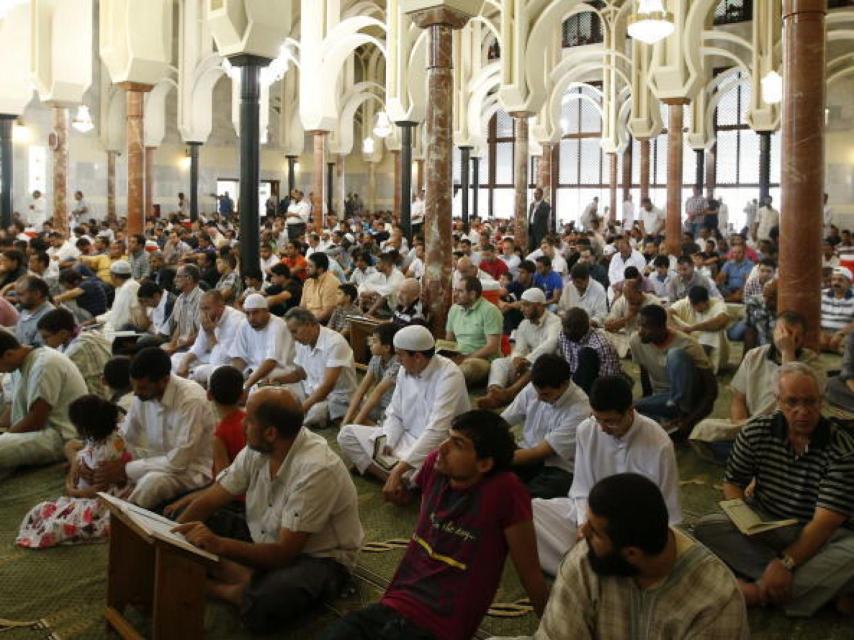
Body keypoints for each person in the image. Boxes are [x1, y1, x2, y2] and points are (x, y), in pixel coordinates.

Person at [323, 410, 548, 640]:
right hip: (392, 605)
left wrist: (555, 631)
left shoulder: (506, 491)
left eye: (457, 444)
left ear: (484, 464)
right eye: (448, 437)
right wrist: (404, 492)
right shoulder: (436, 466)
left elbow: (530, 574)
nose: (442, 447)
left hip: (438, 627)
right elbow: (417, 497)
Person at [174, 388, 363, 634]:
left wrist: (218, 546)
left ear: (271, 433)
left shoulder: (317, 469)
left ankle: (226, 587)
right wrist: (171, 536)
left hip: (318, 557)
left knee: (264, 603)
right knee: (193, 516)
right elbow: (210, 500)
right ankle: (241, 575)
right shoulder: (257, 449)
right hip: (265, 534)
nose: (242, 423)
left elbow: (284, 553)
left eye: (249, 420)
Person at [694, 362, 854, 617]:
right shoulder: (756, 431)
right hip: (767, 524)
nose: (803, 411)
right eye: (792, 402)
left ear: (821, 400)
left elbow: (824, 524)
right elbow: (733, 482)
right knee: (707, 527)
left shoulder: (842, 450)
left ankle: (759, 591)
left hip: (820, 535)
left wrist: (786, 561)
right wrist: (746, 520)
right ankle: (807, 586)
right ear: (777, 401)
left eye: (811, 402)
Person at [532, 473, 747, 638]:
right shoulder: (583, 561)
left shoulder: (716, 600)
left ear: (632, 553)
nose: (583, 533)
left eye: (595, 532)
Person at [337, 325, 469, 496]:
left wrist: (401, 467)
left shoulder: (450, 375)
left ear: (418, 357)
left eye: (400, 354)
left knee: (439, 468)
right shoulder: (404, 369)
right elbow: (395, 413)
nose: (397, 359)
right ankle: (397, 481)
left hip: (436, 445)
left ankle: (400, 477)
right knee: (347, 435)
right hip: (403, 438)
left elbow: (438, 430)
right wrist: (389, 442)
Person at [83, 347, 215, 509]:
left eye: (143, 388)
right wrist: (90, 460)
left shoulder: (191, 400)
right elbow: (125, 434)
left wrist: (124, 470)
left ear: (165, 381)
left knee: (151, 483)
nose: (136, 393)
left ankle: (116, 518)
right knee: (103, 455)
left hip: (189, 471)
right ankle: (95, 508)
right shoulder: (143, 395)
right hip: (153, 459)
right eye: (134, 386)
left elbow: (178, 462)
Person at [691, 311, 825, 464]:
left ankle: (756, 459)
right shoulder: (754, 355)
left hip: (790, 427)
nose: (789, 339)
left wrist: (787, 352)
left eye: (796, 336)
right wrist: (744, 430)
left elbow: (794, 394)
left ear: (803, 338)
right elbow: (738, 398)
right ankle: (763, 458)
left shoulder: (814, 363)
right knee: (703, 431)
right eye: (784, 333)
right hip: (754, 426)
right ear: (774, 332)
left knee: (805, 444)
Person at [16, 395, 132, 548]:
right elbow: (74, 446)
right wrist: (76, 466)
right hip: (86, 492)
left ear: (85, 428)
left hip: (100, 500)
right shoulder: (102, 438)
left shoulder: (107, 452)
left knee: (56, 522)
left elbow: (99, 491)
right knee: (41, 511)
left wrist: (72, 491)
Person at [500, 354, 591, 499]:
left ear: (564, 384)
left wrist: (495, 458)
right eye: (537, 392)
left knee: (528, 500)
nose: (539, 398)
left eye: (545, 394)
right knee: (487, 477)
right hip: (525, 453)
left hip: (559, 468)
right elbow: (502, 421)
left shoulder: (581, 409)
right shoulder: (536, 387)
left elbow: (540, 452)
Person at [0, 329, 88, 477]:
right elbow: (14, 407)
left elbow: (36, 420)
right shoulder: (18, 365)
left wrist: (6, 437)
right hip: (40, 432)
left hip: (63, 437)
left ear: (9, 354)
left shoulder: (44, 365)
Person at [630, 304, 717, 435]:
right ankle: (668, 423)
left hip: (688, 401)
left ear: (661, 327)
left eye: (646, 326)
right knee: (629, 415)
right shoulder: (637, 341)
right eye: (639, 325)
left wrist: (689, 420)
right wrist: (647, 402)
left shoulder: (688, 344)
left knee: (675, 355)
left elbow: (711, 391)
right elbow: (645, 372)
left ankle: (678, 415)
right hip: (662, 399)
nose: (640, 331)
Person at [272, 308, 357, 428]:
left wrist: (302, 409)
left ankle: (297, 421)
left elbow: (327, 386)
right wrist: (277, 380)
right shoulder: (301, 342)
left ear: (308, 324)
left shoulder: (335, 342)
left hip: (335, 398)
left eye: (295, 332)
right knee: (280, 393)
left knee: (315, 412)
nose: (293, 337)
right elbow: (300, 373)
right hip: (312, 391)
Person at [478, 287, 561, 409]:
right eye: (522, 305)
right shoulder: (524, 324)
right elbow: (519, 348)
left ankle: (509, 393)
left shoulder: (555, 321)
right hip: (527, 362)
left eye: (526, 305)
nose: (521, 309)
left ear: (539, 306)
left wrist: (527, 360)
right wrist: (517, 358)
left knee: (538, 366)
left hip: (548, 366)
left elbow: (551, 344)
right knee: (499, 362)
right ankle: (494, 393)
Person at [37, 308, 112, 398]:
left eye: (46, 337)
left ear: (63, 333)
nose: (44, 342)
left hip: (95, 401)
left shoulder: (79, 349)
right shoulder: (83, 334)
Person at [176, 290, 245, 384]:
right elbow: (198, 347)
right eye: (201, 308)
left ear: (221, 307)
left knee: (200, 371)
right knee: (176, 359)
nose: (203, 313)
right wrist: (184, 363)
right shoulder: (207, 317)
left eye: (207, 308)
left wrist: (210, 334)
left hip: (229, 366)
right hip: (208, 357)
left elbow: (221, 360)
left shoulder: (236, 321)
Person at [445, 275, 503, 386]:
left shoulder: (490, 311)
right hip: (459, 356)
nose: (455, 294)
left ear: (472, 294)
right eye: (455, 290)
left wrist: (465, 358)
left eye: (460, 291)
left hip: (482, 360)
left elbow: (492, 347)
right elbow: (449, 341)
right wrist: (444, 353)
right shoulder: (454, 309)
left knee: (467, 368)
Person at [231, 294, 295, 390]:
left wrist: (246, 385)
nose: (251, 318)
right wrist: (233, 378)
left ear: (266, 311)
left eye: (255, 312)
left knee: (256, 388)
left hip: (280, 373)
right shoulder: (244, 324)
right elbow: (239, 357)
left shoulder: (277, 326)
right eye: (248, 313)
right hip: (253, 371)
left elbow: (271, 362)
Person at [341, 322, 400, 426]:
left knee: (389, 424)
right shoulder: (376, 358)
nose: (370, 344)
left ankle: (378, 429)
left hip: (391, 408)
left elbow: (377, 392)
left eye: (374, 341)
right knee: (344, 403)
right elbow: (361, 390)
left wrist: (355, 425)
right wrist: (345, 421)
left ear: (387, 347)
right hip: (377, 405)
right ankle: (374, 427)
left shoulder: (398, 364)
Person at [558, 307, 623, 395]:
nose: (566, 331)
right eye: (565, 327)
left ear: (585, 327)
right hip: (574, 382)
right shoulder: (564, 335)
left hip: (598, 388)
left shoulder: (602, 344)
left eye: (572, 328)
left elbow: (610, 382)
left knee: (586, 354)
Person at [667, 285, 731, 374]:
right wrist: (677, 328)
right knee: (674, 319)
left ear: (707, 301)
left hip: (708, 344)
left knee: (713, 332)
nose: (697, 308)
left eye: (700, 306)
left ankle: (702, 365)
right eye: (694, 306)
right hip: (689, 338)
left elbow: (722, 320)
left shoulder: (717, 304)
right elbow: (668, 313)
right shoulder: (686, 303)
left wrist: (692, 328)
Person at [602, 277, 661, 358]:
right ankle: (631, 352)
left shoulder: (653, 303)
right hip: (625, 338)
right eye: (626, 297)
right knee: (602, 333)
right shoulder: (623, 300)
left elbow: (655, 332)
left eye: (631, 298)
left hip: (643, 340)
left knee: (639, 339)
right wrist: (627, 317)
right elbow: (607, 327)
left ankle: (632, 352)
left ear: (640, 292)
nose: (628, 300)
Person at [162, 263, 203, 355]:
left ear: (188, 278)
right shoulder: (180, 298)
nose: (174, 280)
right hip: (181, 346)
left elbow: (201, 333)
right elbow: (178, 327)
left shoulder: (202, 300)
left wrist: (175, 348)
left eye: (178, 277)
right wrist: (172, 346)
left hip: (194, 348)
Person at [358, 251, 405, 317]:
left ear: (385, 264)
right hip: (389, 309)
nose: (375, 265)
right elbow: (364, 284)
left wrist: (371, 292)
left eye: (378, 263)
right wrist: (362, 292)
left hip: (401, 311)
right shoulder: (380, 274)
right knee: (366, 302)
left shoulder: (398, 276)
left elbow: (385, 294)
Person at [819, 266, 854, 353]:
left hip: (845, 333)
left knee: (845, 345)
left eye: (840, 280)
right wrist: (819, 332)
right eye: (833, 279)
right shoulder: (822, 294)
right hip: (823, 331)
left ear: (849, 282)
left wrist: (841, 333)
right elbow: (813, 316)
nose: (836, 283)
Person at [14, 275, 55, 346]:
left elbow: (37, 349)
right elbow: (20, 331)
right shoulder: (27, 308)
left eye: (20, 294)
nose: (16, 299)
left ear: (37, 294)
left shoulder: (49, 318)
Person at [300, 252, 340, 323]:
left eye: (310, 266)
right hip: (308, 320)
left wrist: (308, 324)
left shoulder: (331, 282)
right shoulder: (308, 282)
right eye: (307, 265)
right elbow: (302, 306)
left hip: (321, 323)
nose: (306, 268)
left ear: (320, 269)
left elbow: (327, 313)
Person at [528, 187, 551, 251]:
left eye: (537, 194)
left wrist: (537, 207)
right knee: (531, 247)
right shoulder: (532, 204)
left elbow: (545, 215)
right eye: (534, 194)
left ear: (541, 194)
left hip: (540, 231)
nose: (535, 195)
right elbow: (530, 216)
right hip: (531, 229)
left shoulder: (546, 205)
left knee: (539, 248)